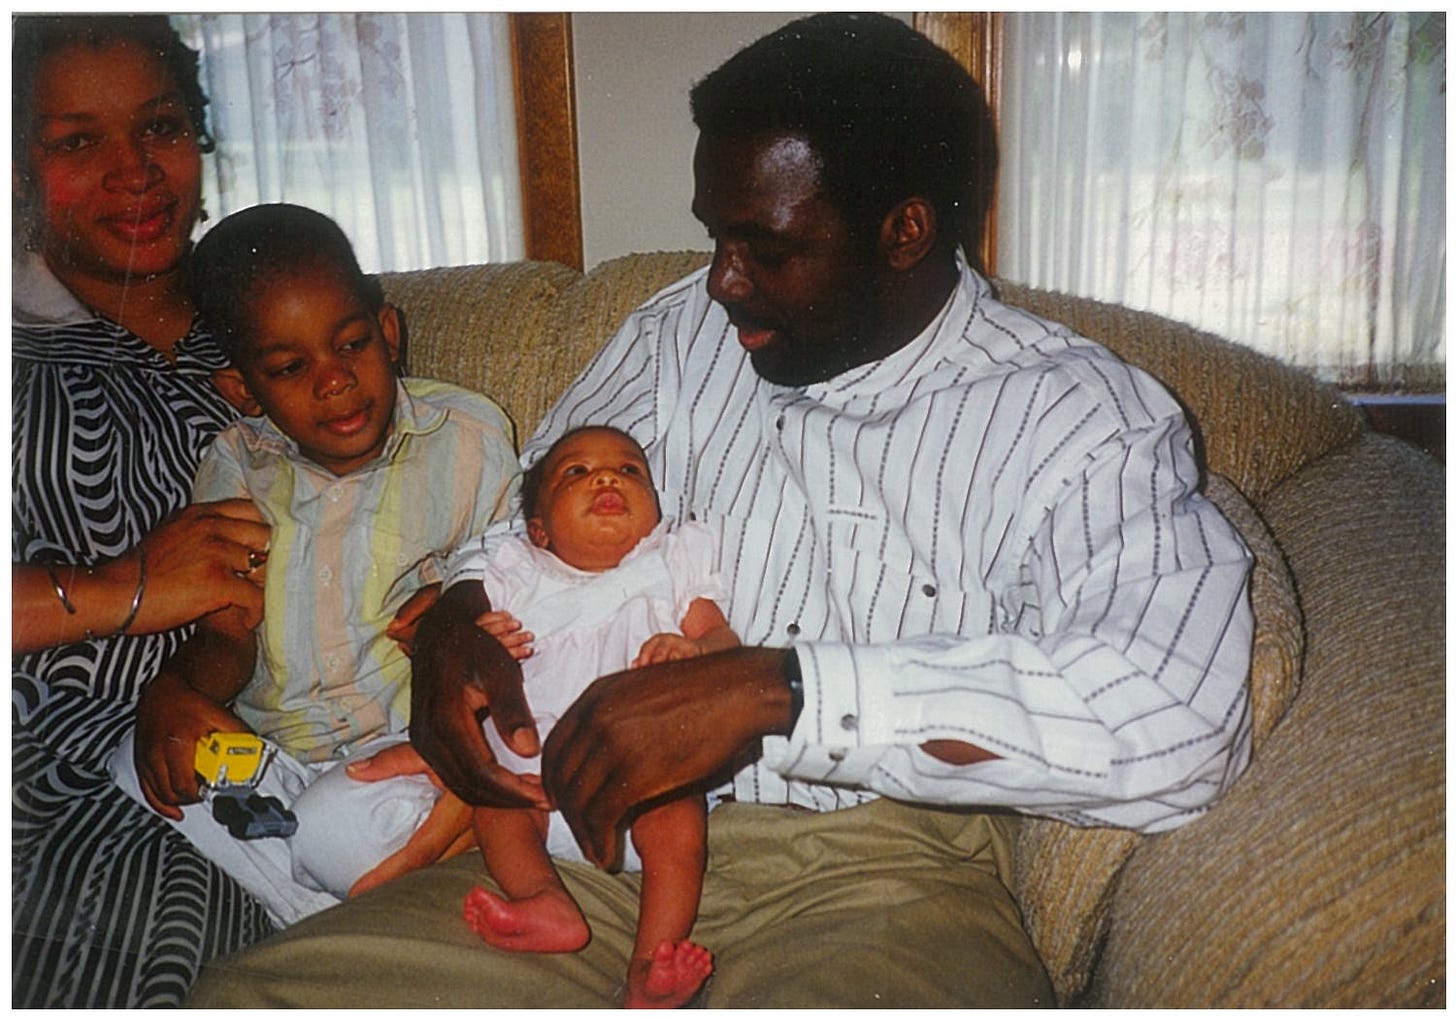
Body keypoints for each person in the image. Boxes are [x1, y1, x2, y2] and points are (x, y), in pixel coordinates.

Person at [188, 13, 1255, 1008]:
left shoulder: (1078, 419)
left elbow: (1175, 719)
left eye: (766, 248)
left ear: (905, 231)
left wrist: (774, 691)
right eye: (714, 239)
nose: (722, 285)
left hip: (873, 872)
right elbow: (525, 518)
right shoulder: (676, 336)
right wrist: (459, 613)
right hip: (568, 839)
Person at [103, 202, 521, 927]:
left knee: (336, 823)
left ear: (388, 334)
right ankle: (331, 897)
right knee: (133, 762)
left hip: (400, 750)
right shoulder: (236, 463)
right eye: (291, 368)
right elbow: (230, 628)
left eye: (352, 345)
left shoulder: (467, 434)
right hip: (270, 758)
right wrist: (174, 688)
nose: (333, 381)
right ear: (242, 390)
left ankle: (311, 884)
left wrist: (460, 615)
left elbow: (515, 571)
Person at [11, 15, 277, 1007]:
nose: (136, 171)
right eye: (78, 141)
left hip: (246, 765)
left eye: (160, 126)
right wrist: (127, 588)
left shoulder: (280, 326)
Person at [462, 425, 733, 1007]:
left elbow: (721, 638)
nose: (608, 477)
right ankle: (543, 899)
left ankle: (648, 968)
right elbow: (469, 653)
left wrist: (695, 652)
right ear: (539, 530)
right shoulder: (520, 571)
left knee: (679, 816)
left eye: (630, 470)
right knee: (496, 801)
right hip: (540, 776)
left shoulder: (671, 560)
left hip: (639, 780)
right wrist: (484, 644)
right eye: (576, 473)